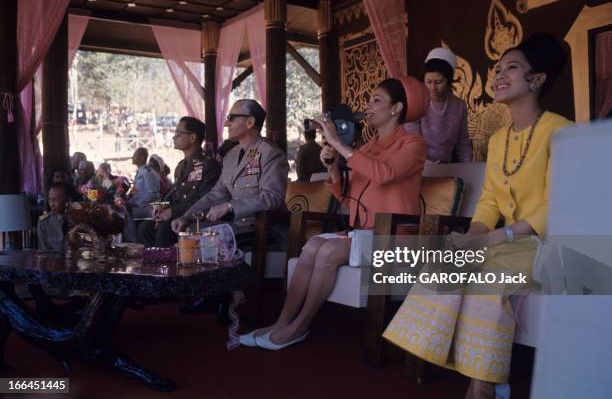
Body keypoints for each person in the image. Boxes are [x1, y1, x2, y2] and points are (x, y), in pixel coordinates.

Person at [384, 33, 572, 399]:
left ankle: (482, 385)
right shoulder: (499, 139)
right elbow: (488, 202)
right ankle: (472, 372)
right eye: (498, 69)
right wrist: (473, 235)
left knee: (488, 277)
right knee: (448, 258)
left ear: (537, 79)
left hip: (548, 244)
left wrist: (492, 239)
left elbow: (556, 206)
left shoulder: (561, 132)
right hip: (506, 241)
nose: (499, 76)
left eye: (511, 69)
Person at [240, 78, 427, 350]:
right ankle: (282, 322)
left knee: (327, 252)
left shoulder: (413, 144)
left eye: (376, 100)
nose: (369, 106)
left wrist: (338, 143)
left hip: (395, 238)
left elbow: (383, 174)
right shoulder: (368, 148)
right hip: (364, 234)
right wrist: (333, 170)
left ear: (396, 108)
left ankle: (299, 326)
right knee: (313, 246)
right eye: (369, 100)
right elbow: (350, 201)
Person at [170, 99, 289, 240]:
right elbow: (217, 194)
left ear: (250, 122)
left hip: (263, 229)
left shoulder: (270, 153)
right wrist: (187, 216)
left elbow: (272, 197)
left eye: (231, 118)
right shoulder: (231, 155)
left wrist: (230, 206)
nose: (226, 124)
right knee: (189, 229)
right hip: (237, 225)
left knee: (198, 236)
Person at [138, 117, 221, 248]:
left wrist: (173, 212)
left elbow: (206, 200)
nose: (173, 137)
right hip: (177, 214)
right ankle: (153, 262)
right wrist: (162, 210)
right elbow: (176, 196)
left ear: (192, 138)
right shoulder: (181, 166)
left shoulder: (209, 165)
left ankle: (165, 265)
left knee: (165, 230)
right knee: (145, 227)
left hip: (195, 217)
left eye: (178, 133)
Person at [405, 47, 472, 163]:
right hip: (419, 165)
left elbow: (463, 143)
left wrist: (467, 168)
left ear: (449, 81)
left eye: (439, 82)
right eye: (428, 82)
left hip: (446, 166)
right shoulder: (416, 102)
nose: (433, 88)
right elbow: (412, 142)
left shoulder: (459, 106)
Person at [126, 147, 160, 218]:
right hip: (140, 206)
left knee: (124, 215)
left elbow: (152, 193)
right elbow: (137, 193)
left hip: (147, 208)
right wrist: (128, 202)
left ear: (142, 158)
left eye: (135, 155)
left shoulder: (148, 172)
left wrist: (137, 203)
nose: (132, 157)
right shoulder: (140, 172)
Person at [37, 183, 71, 252]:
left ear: (66, 200)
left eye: (56, 200)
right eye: (50, 200)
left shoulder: (75, 219)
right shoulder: (44, 222)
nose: (52, 204)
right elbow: (43, 251)